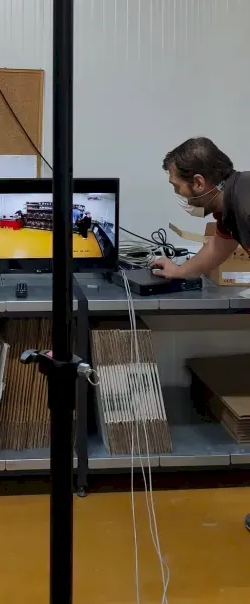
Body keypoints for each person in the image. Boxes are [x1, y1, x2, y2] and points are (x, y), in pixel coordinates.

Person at [152, 137, 250, 531]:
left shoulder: (246, 202)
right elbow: (219, 248)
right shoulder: (232, 202)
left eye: (176, 186)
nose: (178, 194)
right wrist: (179, 271)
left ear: (198, 182)